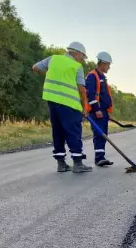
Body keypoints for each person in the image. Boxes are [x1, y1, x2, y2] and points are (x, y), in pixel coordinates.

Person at [32, 42, 92, 173]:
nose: (82, 59)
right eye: (83, 56)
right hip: (70, 104)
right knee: (73, 132)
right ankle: (78, 163)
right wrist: (85, 107)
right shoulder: (77, 66)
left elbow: (35, 68)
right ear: (77, 53)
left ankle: (61, 163)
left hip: (53, 102)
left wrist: (52, 74)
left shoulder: (53, 59)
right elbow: (82, 88)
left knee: (58, 131)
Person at [86, 51, 115, 167]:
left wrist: (107, 112)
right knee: (99, 134)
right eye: (108, 65)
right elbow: (90, 94)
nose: (109, 67)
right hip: (96, 111)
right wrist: (96, 109)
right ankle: (99, 159)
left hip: (103, 111)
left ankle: (101, 157)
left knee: (103, 134)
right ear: (102, 63)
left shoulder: (102, 76)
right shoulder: (92, 76)